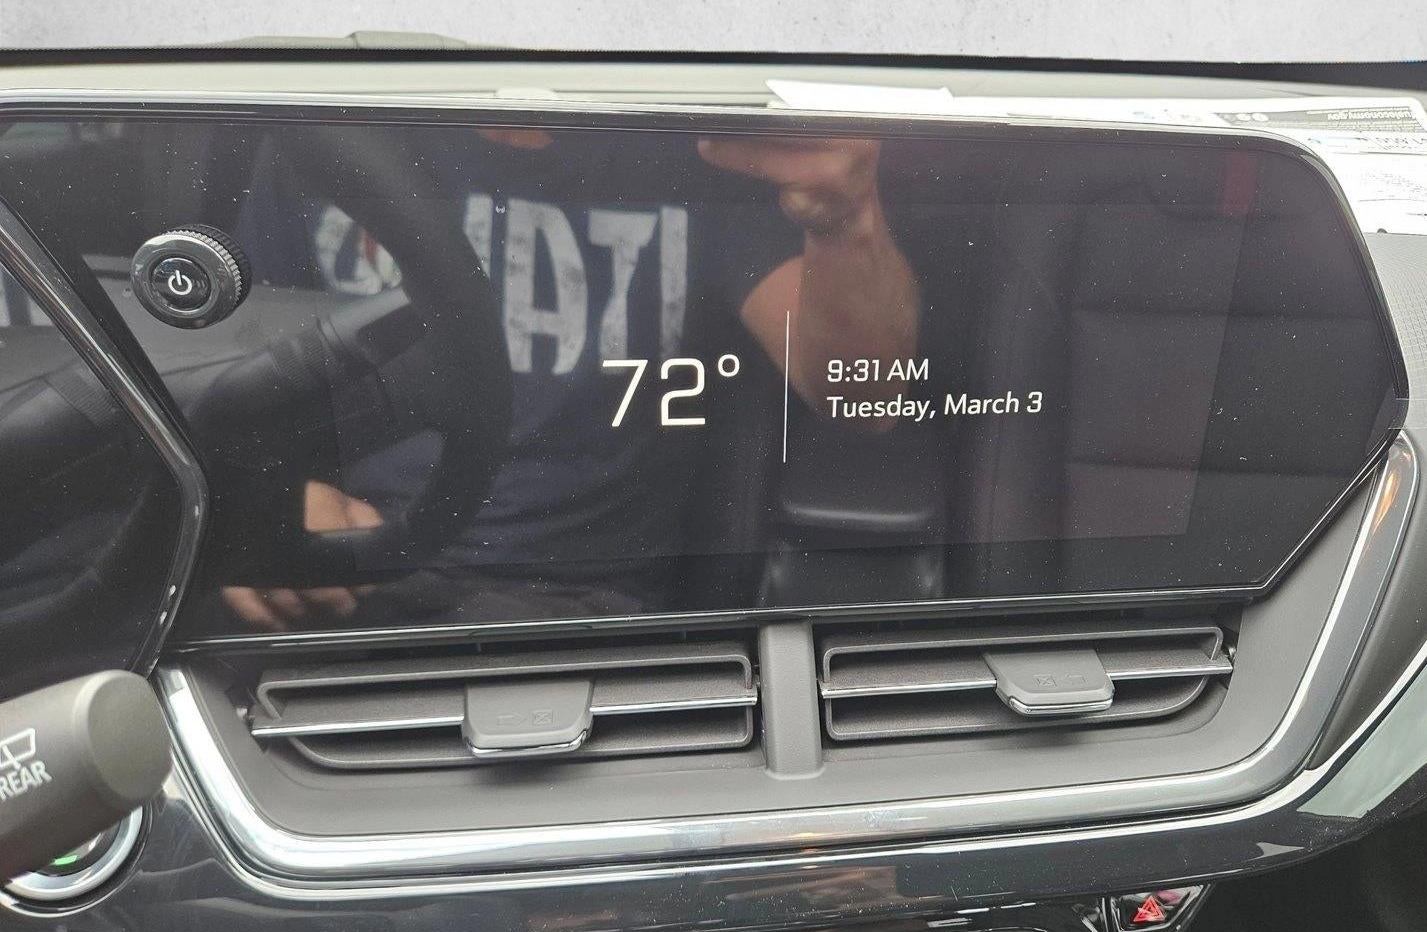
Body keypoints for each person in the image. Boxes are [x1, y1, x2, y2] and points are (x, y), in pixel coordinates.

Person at [222, 126, 921, 631]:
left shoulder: (699, 153)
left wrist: (846, 220)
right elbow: (239, 381)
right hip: (343, 576)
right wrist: (268, 499)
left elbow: (866, 396)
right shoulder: (331, 131)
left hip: (575, 611)